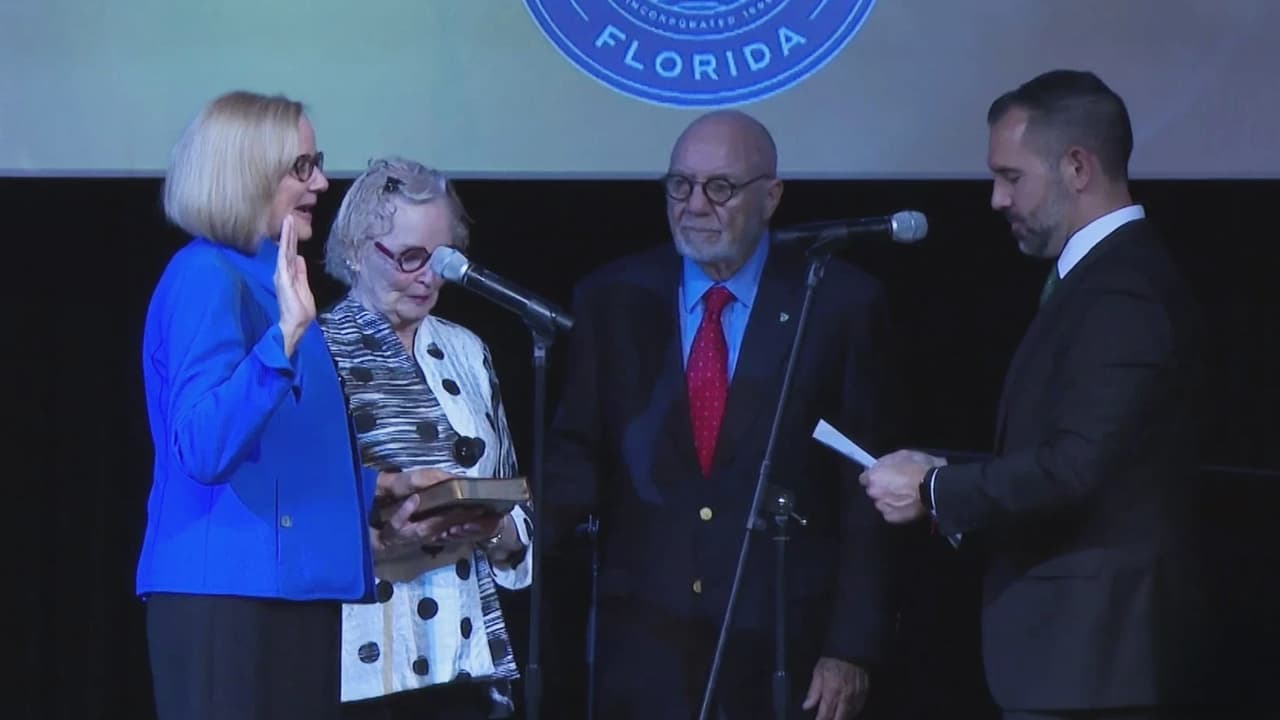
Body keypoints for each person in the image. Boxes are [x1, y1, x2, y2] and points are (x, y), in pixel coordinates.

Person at [860, 69, 1208, 720]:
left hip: (1095, 663)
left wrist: (938, 491)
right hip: (1075, 660)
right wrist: (942, 471)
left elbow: (1076, 468)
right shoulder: (1097, 281)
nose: (996, 199)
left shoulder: (1123, 290)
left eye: (1011, 177)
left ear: (1077, 166)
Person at [544, 110, 898, 720]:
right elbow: (578, 451)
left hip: (783, 643)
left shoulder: (839, 302)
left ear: (771, 195)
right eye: (679, 185)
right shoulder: (612, 298)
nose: (694, 205)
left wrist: (850, 647)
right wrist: (510, 527)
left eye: (720, 188)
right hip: (643, 645)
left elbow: (864, 487)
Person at [136, 90, 417, 720]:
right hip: (226, 597)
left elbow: (293, 448)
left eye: (318, 162)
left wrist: (382, 489)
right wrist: (283, 337)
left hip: (297, 588)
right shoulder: (207, 275)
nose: (321, 181)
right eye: (301, 168)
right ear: (246, 171)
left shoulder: (275, 276)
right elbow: (203, 448)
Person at [318, 157, 533, 720]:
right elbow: (301, 516)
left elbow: (515, 501)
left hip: (465, 653)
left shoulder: (468, 350)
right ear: (357, 250)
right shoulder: (317, 351)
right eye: (411, 257)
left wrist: (497, 526)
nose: (429, 276)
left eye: (442, 258)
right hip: (365, 659)